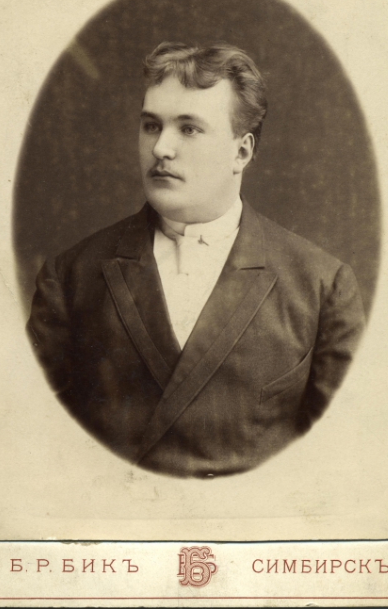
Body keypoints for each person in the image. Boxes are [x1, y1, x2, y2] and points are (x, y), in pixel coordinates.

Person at [27, 41, 365, 478]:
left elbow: (341, 459)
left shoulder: (321, 286)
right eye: (151, 126)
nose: (161, 148)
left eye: (188, 129)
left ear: (241, 152)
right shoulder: (72, 276)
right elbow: (35, 442)